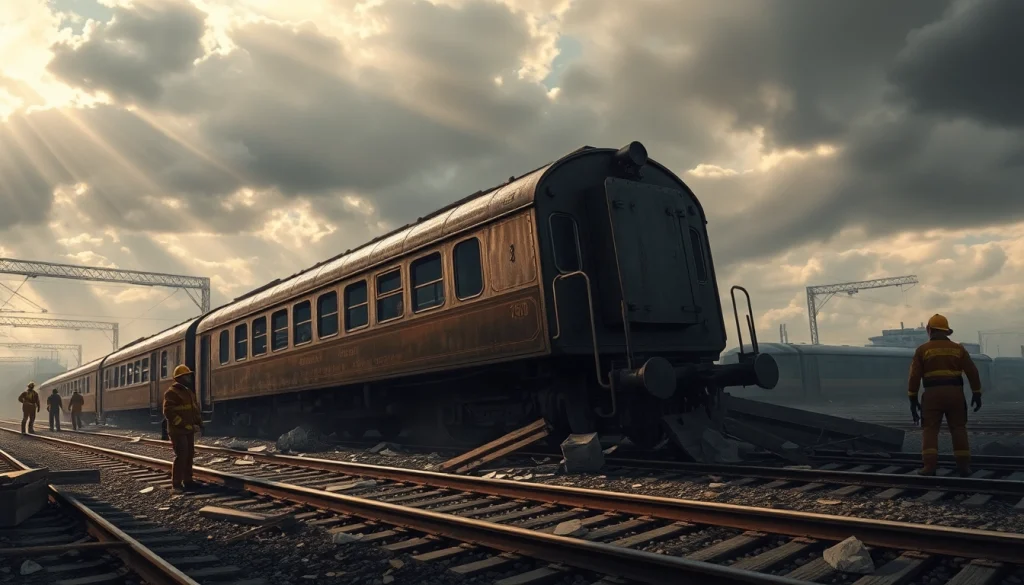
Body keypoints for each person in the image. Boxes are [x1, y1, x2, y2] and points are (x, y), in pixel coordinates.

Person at [907, 314, 982, 477]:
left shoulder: (922, 350)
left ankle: (929, 467)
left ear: (929, 330)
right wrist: (977, 393)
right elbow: (972, 371)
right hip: (955, 394)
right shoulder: (959, 349)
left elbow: (914, 376)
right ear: (947, 332)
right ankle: (964, 467)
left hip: (932, 395)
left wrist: (912, 397)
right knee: (959, 429)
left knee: (930, 430)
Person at [163, 365, 203, 491]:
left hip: (188, 429)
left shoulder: (188, 392)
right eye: (186, 376)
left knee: (189, 454)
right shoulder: (171, 392)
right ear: (179, 378)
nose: (189, 378)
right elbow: (168, 412)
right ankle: (176, 483)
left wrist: (200, 423)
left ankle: (188, 480)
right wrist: (182, 424)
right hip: (177, 431)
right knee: (182, 455)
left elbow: (194, 410)